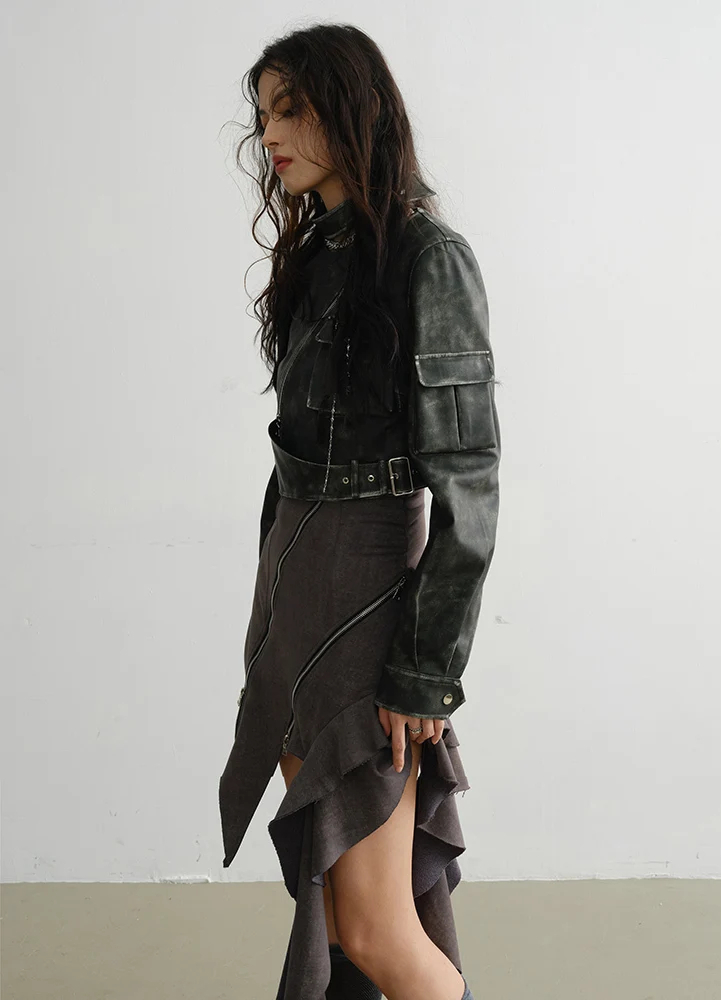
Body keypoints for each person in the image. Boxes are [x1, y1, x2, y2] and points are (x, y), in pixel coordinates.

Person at [218, 21, 501, 1000]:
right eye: (263, 115)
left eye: (290, 109)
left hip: (371, 594)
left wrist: (424, 672)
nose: (270, 134)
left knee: (377, 927)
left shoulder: (428, 256)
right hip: (296, 589)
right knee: (340, 915)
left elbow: (469, 484)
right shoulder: (318, 255)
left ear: (352, 109)